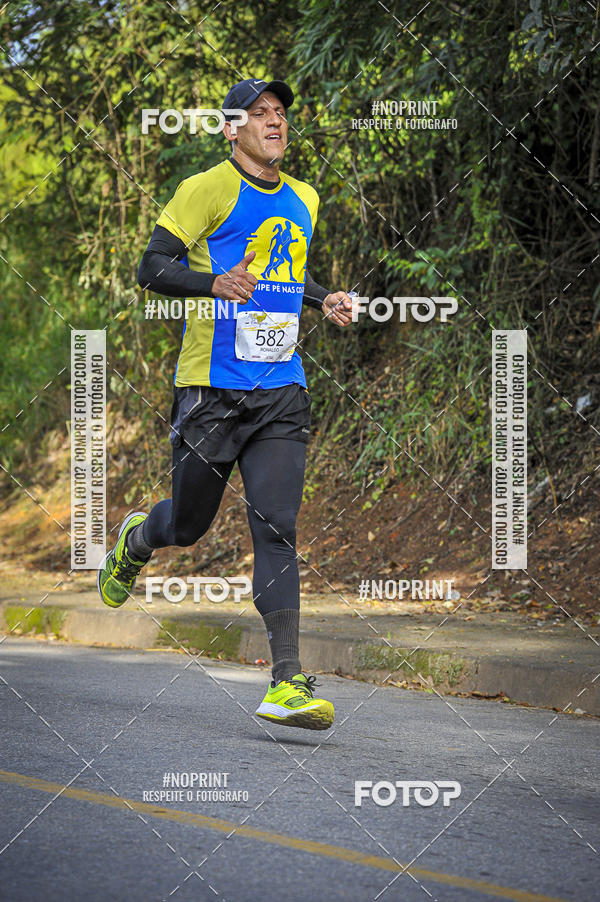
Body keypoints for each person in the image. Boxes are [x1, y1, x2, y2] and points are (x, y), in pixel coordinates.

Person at [97, 78, 354, 730]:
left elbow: (283, 271)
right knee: (188, 526)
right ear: (231, 129)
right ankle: (139, 537)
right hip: (211, 390)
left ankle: (287, 681)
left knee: (277, 525)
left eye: (280, 113)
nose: (274, 121)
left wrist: (322, 298)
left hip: (280, 389)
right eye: (259, 114)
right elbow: (152, 267)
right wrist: (211, 282)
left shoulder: (305, 197)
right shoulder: (206, 188)